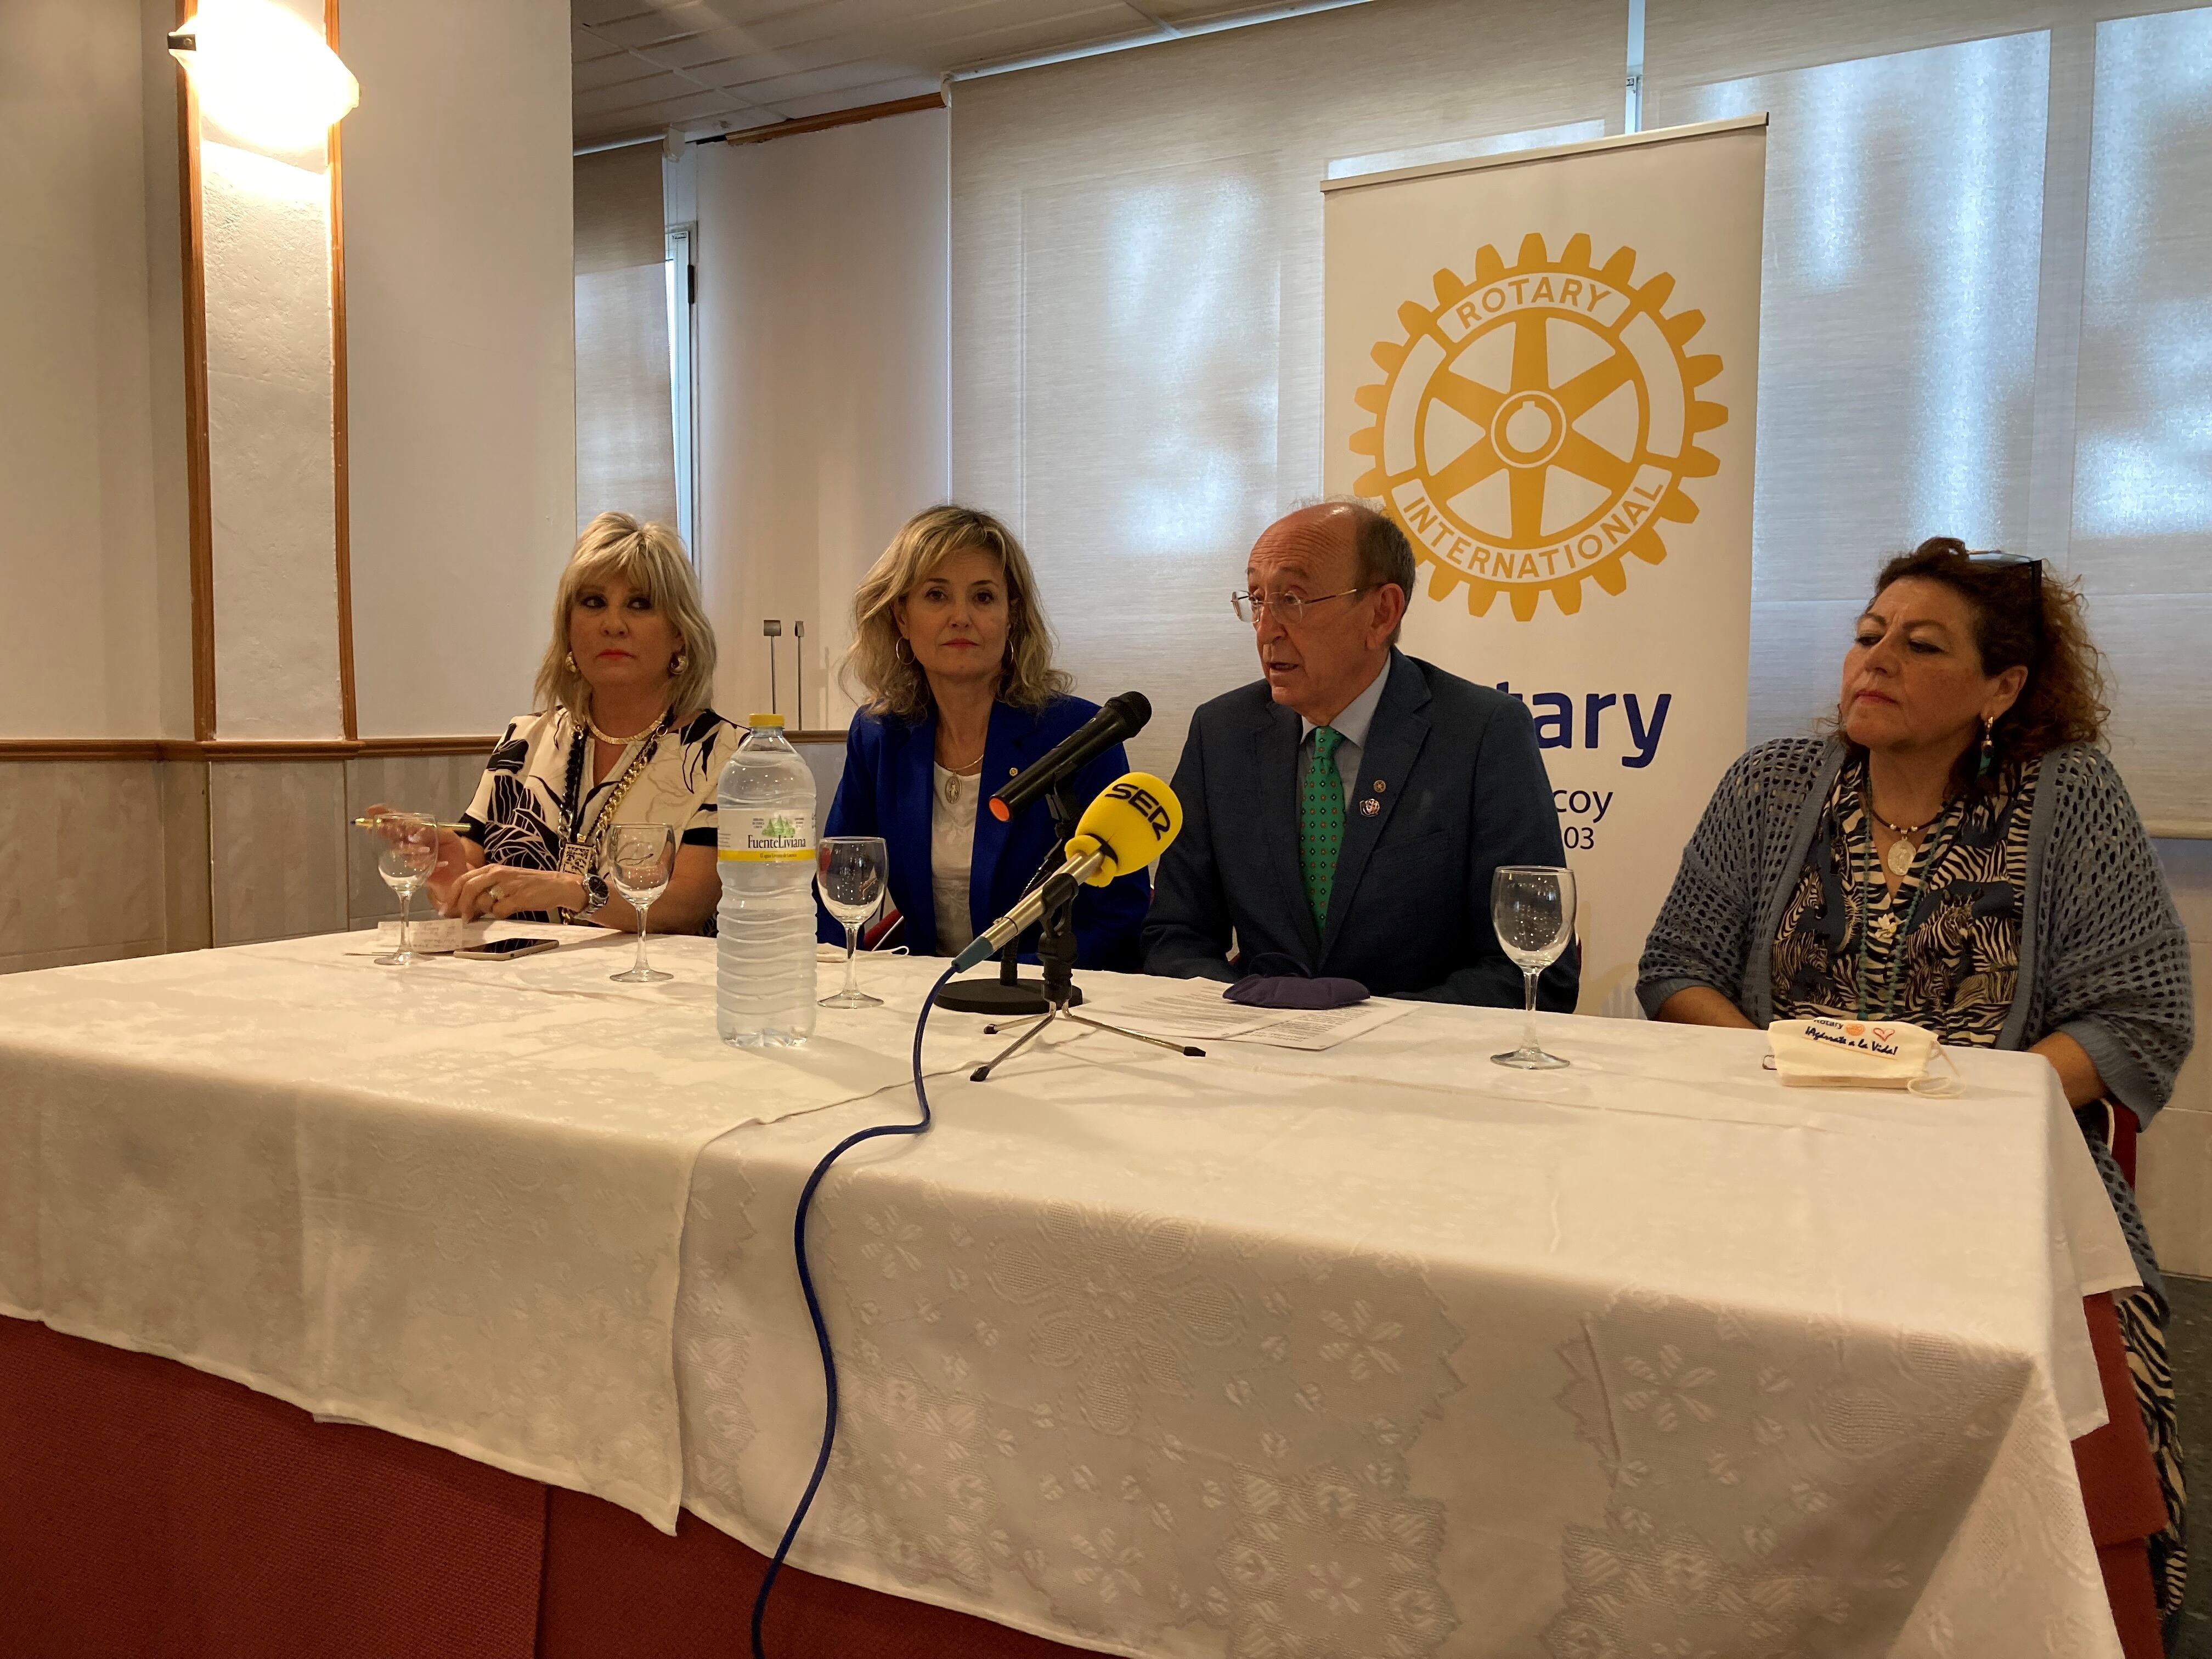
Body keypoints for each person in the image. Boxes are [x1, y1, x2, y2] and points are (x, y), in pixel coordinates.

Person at [1639, 537, 2193, 1652]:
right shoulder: (1772, 784)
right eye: (1867, 636)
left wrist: (1975, 1105)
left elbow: (2141, 1016)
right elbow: (1677, 966)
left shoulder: (2068, 795)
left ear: (2002, 688)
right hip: (1777, 1152)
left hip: (1996, 1179)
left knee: (2059, 1370)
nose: (1875, 660)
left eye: (1920, 644)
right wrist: (1778, 1075)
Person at [1143, 499, 1576, 1006]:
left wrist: (1365, 1030)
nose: (1265, 630)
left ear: (1382, 612)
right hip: (1256, 1053)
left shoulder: (1483, 732)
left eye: (1293, 599)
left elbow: (1535, 969)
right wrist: (1245, 1012)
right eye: (1257, 600)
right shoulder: (1222, 733)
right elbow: (1175, 937)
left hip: (1421, 1063)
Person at [371, 512, 736, 934]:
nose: (612, 625)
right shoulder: (525, 740)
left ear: (680, 634)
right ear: (568, 626)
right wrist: (450, 873)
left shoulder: (725, 753)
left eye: (640, 605)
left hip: (657, 988)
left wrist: (573, 890)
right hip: (529, 990)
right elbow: (470, 886)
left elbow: (688, 905)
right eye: (593, 603)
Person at [820, 504, 1149, 967]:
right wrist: (837, 974)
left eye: (983, 597)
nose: (961, 617)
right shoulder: (880, 735)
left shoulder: (1080, 737)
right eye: (936, 595)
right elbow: (841, 885)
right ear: (901, 616)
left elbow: (1118, 919)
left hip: (1048, 997)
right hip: (920, 999)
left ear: (1011, 615)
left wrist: (1001, 983)